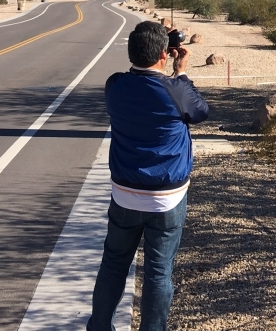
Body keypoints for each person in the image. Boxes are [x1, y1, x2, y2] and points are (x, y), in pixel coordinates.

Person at [87, 21, 209, 331]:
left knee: (113, 263)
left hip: (125, 193)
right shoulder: (175, 89)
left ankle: (99, 326)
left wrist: (162, 50)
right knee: (158, 272)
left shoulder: (114, 85)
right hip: (167, 197)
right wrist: (181, 71)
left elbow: (140, 79)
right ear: (164, 55)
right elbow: (200, 112)